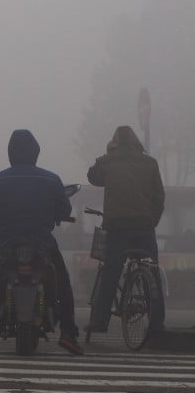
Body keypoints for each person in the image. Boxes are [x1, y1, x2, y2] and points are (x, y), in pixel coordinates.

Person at [0, 129, 83, 355]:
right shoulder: (52, 180)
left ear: (11, 153)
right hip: (43, 243)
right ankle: (69, 334)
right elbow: (64, 209)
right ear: (36, 153)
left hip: (7, 243)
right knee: (63, 284)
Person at [86, 125, 166, 334]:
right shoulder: (150, 163)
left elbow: (92, 177)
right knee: (152, 271)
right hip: (144, 227)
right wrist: (151, 221)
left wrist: (105, 155)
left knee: (111, 272)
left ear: (115, 142)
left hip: (117, 227)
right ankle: (157, 322)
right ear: (135, 142)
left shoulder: (108, 161)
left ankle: (99, 322)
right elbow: (159, 198)